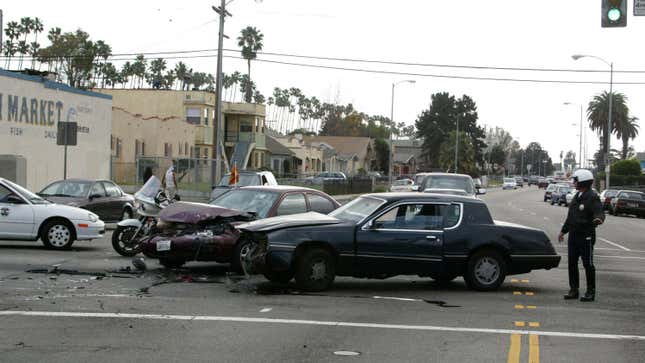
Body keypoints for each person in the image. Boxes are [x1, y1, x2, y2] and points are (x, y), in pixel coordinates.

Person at [558, 169, 604, 302]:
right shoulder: (577, 196)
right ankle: (574, 290)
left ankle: (590, 292)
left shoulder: (592, 196)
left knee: (587, 264)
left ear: (583, 181)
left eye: (576, 180)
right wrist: (563, 231)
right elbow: (570, 217)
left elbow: (599, 212)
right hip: (573, 235)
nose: (574, 182)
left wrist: (598, 219)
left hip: (586, 236)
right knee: (572, 263)